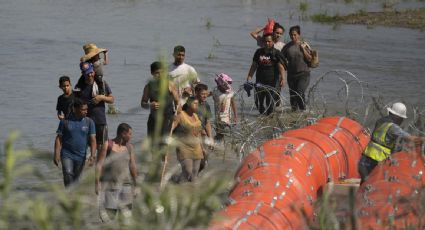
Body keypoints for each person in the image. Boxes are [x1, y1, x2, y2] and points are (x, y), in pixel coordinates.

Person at [358, 102, 425, 184]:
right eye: (402, 118)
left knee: (364, 185)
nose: (402, 120)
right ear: (398, 117)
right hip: (375, 163)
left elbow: (384, 140)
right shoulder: (393, 128)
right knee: (374, 187)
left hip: (364, 160)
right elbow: (411, 139)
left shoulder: (381, 121)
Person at [95, 123, 138, 222]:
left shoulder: (130, 147)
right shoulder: (108, 145)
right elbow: (99, 165)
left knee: (125, 217)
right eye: (130, 134)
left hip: (126, 186)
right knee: (109, 217)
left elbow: (133, 166)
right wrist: (97, 183)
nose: (131, 136)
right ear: (123, 134)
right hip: (110, 186)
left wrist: (136, 184)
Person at [75, 62, 114, 160]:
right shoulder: (79, 87)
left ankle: (99, 171)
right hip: (85, 122)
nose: (90, 75)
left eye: (91, 72)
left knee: (101, 149)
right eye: (87, 73)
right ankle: (85, 169)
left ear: (94, 71)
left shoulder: (102, 84)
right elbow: (74, 106)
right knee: (83, 147)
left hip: (100, 121)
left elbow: (112, 99)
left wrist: (101, 97)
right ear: (82, 73)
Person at [53, 98, 96, 187]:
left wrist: (92, 155)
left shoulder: (89, 122)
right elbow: (58, 139)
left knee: (77, 180)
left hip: (81, 156)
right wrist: (56, 154)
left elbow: (93, 140)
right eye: (83, 109)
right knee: (68, 174)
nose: (86, 111)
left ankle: (73, 198)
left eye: (86, 109)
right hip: (66, 154)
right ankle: (68, 196)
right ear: (75, 109)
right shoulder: (65, 122)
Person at [247, 33, 286, 115]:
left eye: (269, 41)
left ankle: (269, 119)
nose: (267, 43)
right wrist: (249, 77)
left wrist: (283, 78)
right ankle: (263, 118)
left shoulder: (276, 53)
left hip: (272, 82)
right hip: (260, 81)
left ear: (273, 42)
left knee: (270, 103)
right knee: (258, 103)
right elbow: (254, 65)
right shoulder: (258, 52)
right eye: (265, 41)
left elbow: (281, 67)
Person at [141, 61, 179, 144]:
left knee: (164, 147)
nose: (160, 75)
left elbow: (177, 102)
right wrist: (150, 105)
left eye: (162, 72)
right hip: (153, 119)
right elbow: (143, 104)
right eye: (157, 73)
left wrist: (176, 115)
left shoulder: (170, 85)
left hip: (168, 119)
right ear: (152, 73)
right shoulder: (148, 87)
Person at [169, 97, 204, 182]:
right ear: (188, 104)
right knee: (188, 172)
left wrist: (203, 148)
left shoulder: (196, 116)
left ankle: (193, 192)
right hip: (183, 147)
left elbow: (198, 134)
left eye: (198, 104)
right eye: (195, 104)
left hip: (197, 147)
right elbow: (171, 129)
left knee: (195, 173)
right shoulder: (181, 115)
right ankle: (177, 181)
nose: (197, 106)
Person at [281, 25, 312, 112]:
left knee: (299, 92)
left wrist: (303, 49)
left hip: (304, 74)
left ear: (299, 35)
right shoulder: (287, 47)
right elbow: (280, 60)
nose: (293, 37)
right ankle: (294, 117)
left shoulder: (304, 45)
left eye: (295, 34)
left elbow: (310, 59)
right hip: (291, 75)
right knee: (293, 98)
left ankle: (303, 111)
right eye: (291, 35)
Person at [212, 73, 237, 141]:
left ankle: (214, 143)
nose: (227, 85)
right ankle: (212, 142)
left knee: (225, 134)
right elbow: (207, 94)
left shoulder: (230, 93)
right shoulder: (215, 92)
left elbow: (233, 104)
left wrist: (235, 116)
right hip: (219, 118)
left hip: (228, 117)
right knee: (220, 134)